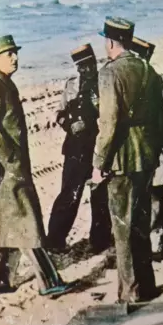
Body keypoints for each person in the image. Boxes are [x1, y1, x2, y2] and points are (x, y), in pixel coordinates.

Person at [0, 35, 76, 298]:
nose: (15, 58)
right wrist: (9, 156)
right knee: (28, 223)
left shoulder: (3, 82)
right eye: (8, 54)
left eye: (15, 53)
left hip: (4, 170)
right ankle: (48, 282)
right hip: (6, 171)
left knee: (8, 223)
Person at [91, 17, 163, 303]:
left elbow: (108, 124)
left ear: (110, 42)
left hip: (122, 160)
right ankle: (147, 286)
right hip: (146, 159)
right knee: (140, 225)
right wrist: (153, 150)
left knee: (122, 229)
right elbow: (161, 120)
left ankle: (131, 293)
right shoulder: (147, 69)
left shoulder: (110, 73)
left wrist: (99, 163)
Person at [47, 44, 112, 253]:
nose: (87, 70)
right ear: (77, 67)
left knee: (100, 196)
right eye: (82, 66)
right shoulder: (72, 86)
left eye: (90, 64)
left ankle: (100, 240)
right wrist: (70, 124)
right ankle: (55, 240)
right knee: (69, 195)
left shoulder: (104, 84)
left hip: (97, 148)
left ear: (95, 62)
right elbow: (59, 113)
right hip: (75, 150)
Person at [128, 36, 163, 261]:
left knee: (155, 195)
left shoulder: (152, 82)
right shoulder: (144, 80)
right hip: (145, 149)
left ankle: (159, 240)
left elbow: (162, 120)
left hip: (154, 148)